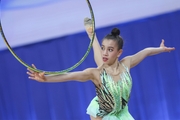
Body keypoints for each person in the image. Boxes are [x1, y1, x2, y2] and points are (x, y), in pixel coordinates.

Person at [27, 18, 175, 120]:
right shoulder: (95, 73)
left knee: (102, 62)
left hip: (121, 113)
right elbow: (69, 76)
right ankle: (92, 35)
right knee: (101, 65)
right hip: (102, 115)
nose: (105, 52)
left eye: (110, 49)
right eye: (104, 48)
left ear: (119, 53)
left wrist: (160, 49)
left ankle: (92, 35)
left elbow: (146, 51)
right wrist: (46, 79)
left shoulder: (126, 63)